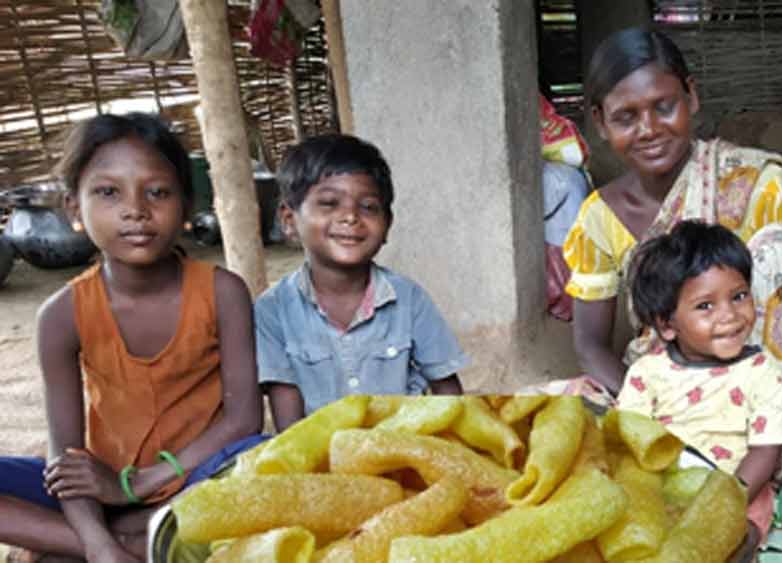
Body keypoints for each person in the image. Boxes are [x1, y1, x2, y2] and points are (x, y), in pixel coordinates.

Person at [561, 26, 782, 485]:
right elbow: (590, 345)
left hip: (760, 383)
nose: (649, 130)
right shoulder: (599, 217)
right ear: (600, 123)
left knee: (781, 247)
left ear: (691, 97)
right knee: (555, 413)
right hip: (669, 381)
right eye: (626, 117)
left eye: (664, 107)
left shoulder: (756, 183)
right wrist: (653, 412)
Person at [0, 113, 264, 562]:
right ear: (73, 208)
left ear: (186, 206)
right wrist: (98, 543)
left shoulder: (223, 292)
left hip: (198, 475)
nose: (135, 209)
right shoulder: (61, 315)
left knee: (259, 458)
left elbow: (243, 421)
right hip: (101, 481)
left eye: (157, 192)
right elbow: (66, 455)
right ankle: (128, 543)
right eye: (108, 192)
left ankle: (105, 536)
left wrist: (139, 484)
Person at [255, 134, 467, 432]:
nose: (350, 217)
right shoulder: (272, 310)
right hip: (321, 454)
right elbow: (289, 423)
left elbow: (447, 390)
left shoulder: (409, 299)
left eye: (368, 207)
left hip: (402, 446)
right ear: (289, 220)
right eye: (329, 203)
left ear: (387, 224)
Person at [616, 220, 782, 538]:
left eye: (739, 296)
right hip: (663, 487)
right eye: (705, 306)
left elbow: (765, 451)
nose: (729, 315)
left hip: (735, 488)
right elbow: (631, 442)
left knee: (756, 513)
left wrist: (724, 503)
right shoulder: (647, 374)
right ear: (667, 325)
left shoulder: (761, 372)